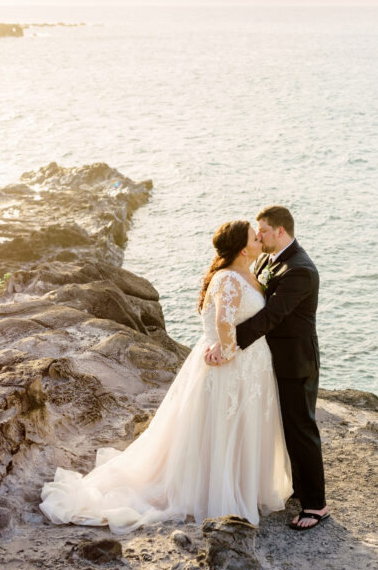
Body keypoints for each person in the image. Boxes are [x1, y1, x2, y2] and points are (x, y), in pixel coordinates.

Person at [40, 220, 292, 533]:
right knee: (222, 428)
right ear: (243, 249)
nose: (260, 240)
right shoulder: (228, 278)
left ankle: (243, 486)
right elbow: (224, 323)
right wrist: (226, 352)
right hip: (229, 366)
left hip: (250, 367)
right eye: (256, 238)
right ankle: (216, 494)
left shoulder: (248, 272)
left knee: (242, 425)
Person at [205, 206, 328, 531]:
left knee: (301, 430)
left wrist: (228, 344)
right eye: (255, 232)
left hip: (296, 362)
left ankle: (316, 505)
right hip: (269, 360)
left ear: (280, 231)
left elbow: (271, 315)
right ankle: (298, 490)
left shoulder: (300, 269)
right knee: (283, 428)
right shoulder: (265, 261)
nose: (258, 236)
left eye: (262, 231)